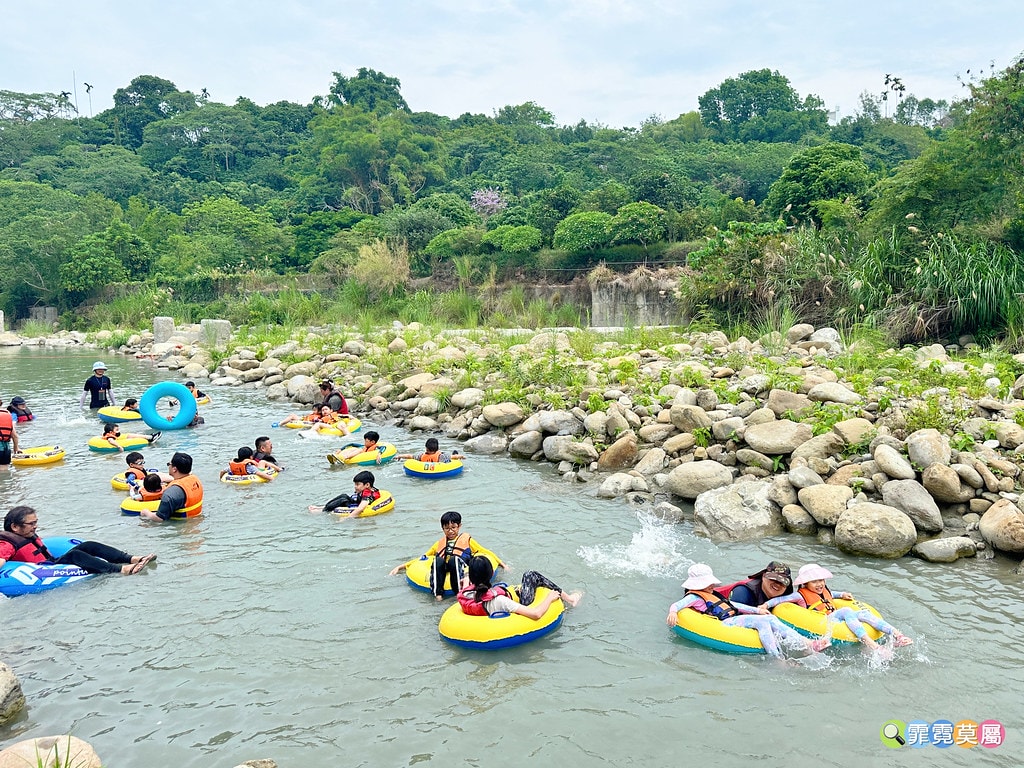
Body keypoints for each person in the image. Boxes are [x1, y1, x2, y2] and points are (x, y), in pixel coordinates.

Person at [666, 563, 828, 659]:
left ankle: (807, 643)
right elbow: (677, 605)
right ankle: (778, 659)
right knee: (763, 622)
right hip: (725, 623)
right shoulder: (696, 597)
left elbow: (732, 605)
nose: (712, 586)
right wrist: (673, 612)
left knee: (769, 619)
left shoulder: (712, 595)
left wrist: (757, 611)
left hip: (733, 617)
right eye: (708, 583)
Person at [764, 564, 913, 650]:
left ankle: (898, 635)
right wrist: (765, 605)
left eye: (821, 580)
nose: (819, 584)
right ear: (805, 584)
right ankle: (871, 644)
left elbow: (831, 595)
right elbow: (781, 600)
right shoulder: (800, 595)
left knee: (864, 614)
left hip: (838, 617)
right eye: (814, 582)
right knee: (847, 610)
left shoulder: (824, 591)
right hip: (825, 620)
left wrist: (842, 594)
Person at [0, 506, 155, 575]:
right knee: (75, 555)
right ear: (15, 527)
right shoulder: (7, 543)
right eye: (31, 523)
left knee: (88, 545)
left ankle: (132, 558)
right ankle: (121, 570)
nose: (35, 526)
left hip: (51, 562)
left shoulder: (26, 536)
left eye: (36, 522)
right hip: (42, 569)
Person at [389, 511, 505, 600]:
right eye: (447, 528)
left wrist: (502, 564)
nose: (450, 531)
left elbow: (485, 551)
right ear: (443, 528)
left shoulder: (467, 540)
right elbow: (423, 558)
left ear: (459, 526)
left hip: (461, 566)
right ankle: (438, 595)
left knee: (454, 560)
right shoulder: (439, 543)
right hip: (445, 568)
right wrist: (401, 566)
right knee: (438, 560)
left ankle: (459, 593)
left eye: (453, 528)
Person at [458, 555, 582, 619]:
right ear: (491, 574)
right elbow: (536, 614)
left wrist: (466, 577)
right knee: (530, 574)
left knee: (522, 585)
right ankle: (570, 599)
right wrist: (549, 598)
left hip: (491, 606)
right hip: (515, 610)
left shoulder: (465, 593)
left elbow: (467, 583)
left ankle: (570, 599)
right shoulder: (500, 601)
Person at [140, 452, 203, 522]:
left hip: (180, 526)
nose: (168, 466)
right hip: (197, 521)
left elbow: (160, 519)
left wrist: (146, 513)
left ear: (174, 469)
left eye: (169, 464)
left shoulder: (170, 494)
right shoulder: (195, 480)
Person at [308, 470, 380, 517]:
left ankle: (322, 511)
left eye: (357, 484)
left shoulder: (367, 495)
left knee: (343, 500)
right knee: (344, 496)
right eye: (355, 484)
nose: (355, 487)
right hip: (357, 502)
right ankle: (322, 507)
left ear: (367, 485)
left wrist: (347, 518)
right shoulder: (368, 489)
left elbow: (360, 508)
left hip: (357, 505)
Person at [727, 561, 794, 607]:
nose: (778, 585)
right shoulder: (742, 592)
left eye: (783, 582)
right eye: (774, 579)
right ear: (763, 576)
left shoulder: (787, 596)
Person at [394, 437, 463, 463]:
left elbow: (409, 456)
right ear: (437, 449)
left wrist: (400, 456)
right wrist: (461, 456)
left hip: (425, 470)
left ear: (426, 448)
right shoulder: (441, 456)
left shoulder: (421, 456)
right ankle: (455, 452)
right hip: (439, 470)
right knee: (453, 455)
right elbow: (453, 457)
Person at [0, 396, 19, 469]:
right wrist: (16, 448)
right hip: (6, 450)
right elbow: (15, 436)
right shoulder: (7, 413)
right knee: (4, 470)